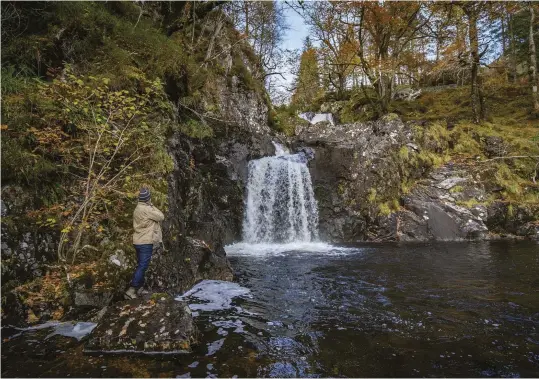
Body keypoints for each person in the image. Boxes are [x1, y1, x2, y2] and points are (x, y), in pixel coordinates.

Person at [125, 187, 164, 300]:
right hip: (145, 242)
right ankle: (131, 290)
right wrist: (151, 205)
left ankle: (139, 288)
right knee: (143, 266)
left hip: (137, 241)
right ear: (147, 199)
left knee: (141, 264)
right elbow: (161, 216)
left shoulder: (137, 208)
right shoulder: (147, 209)